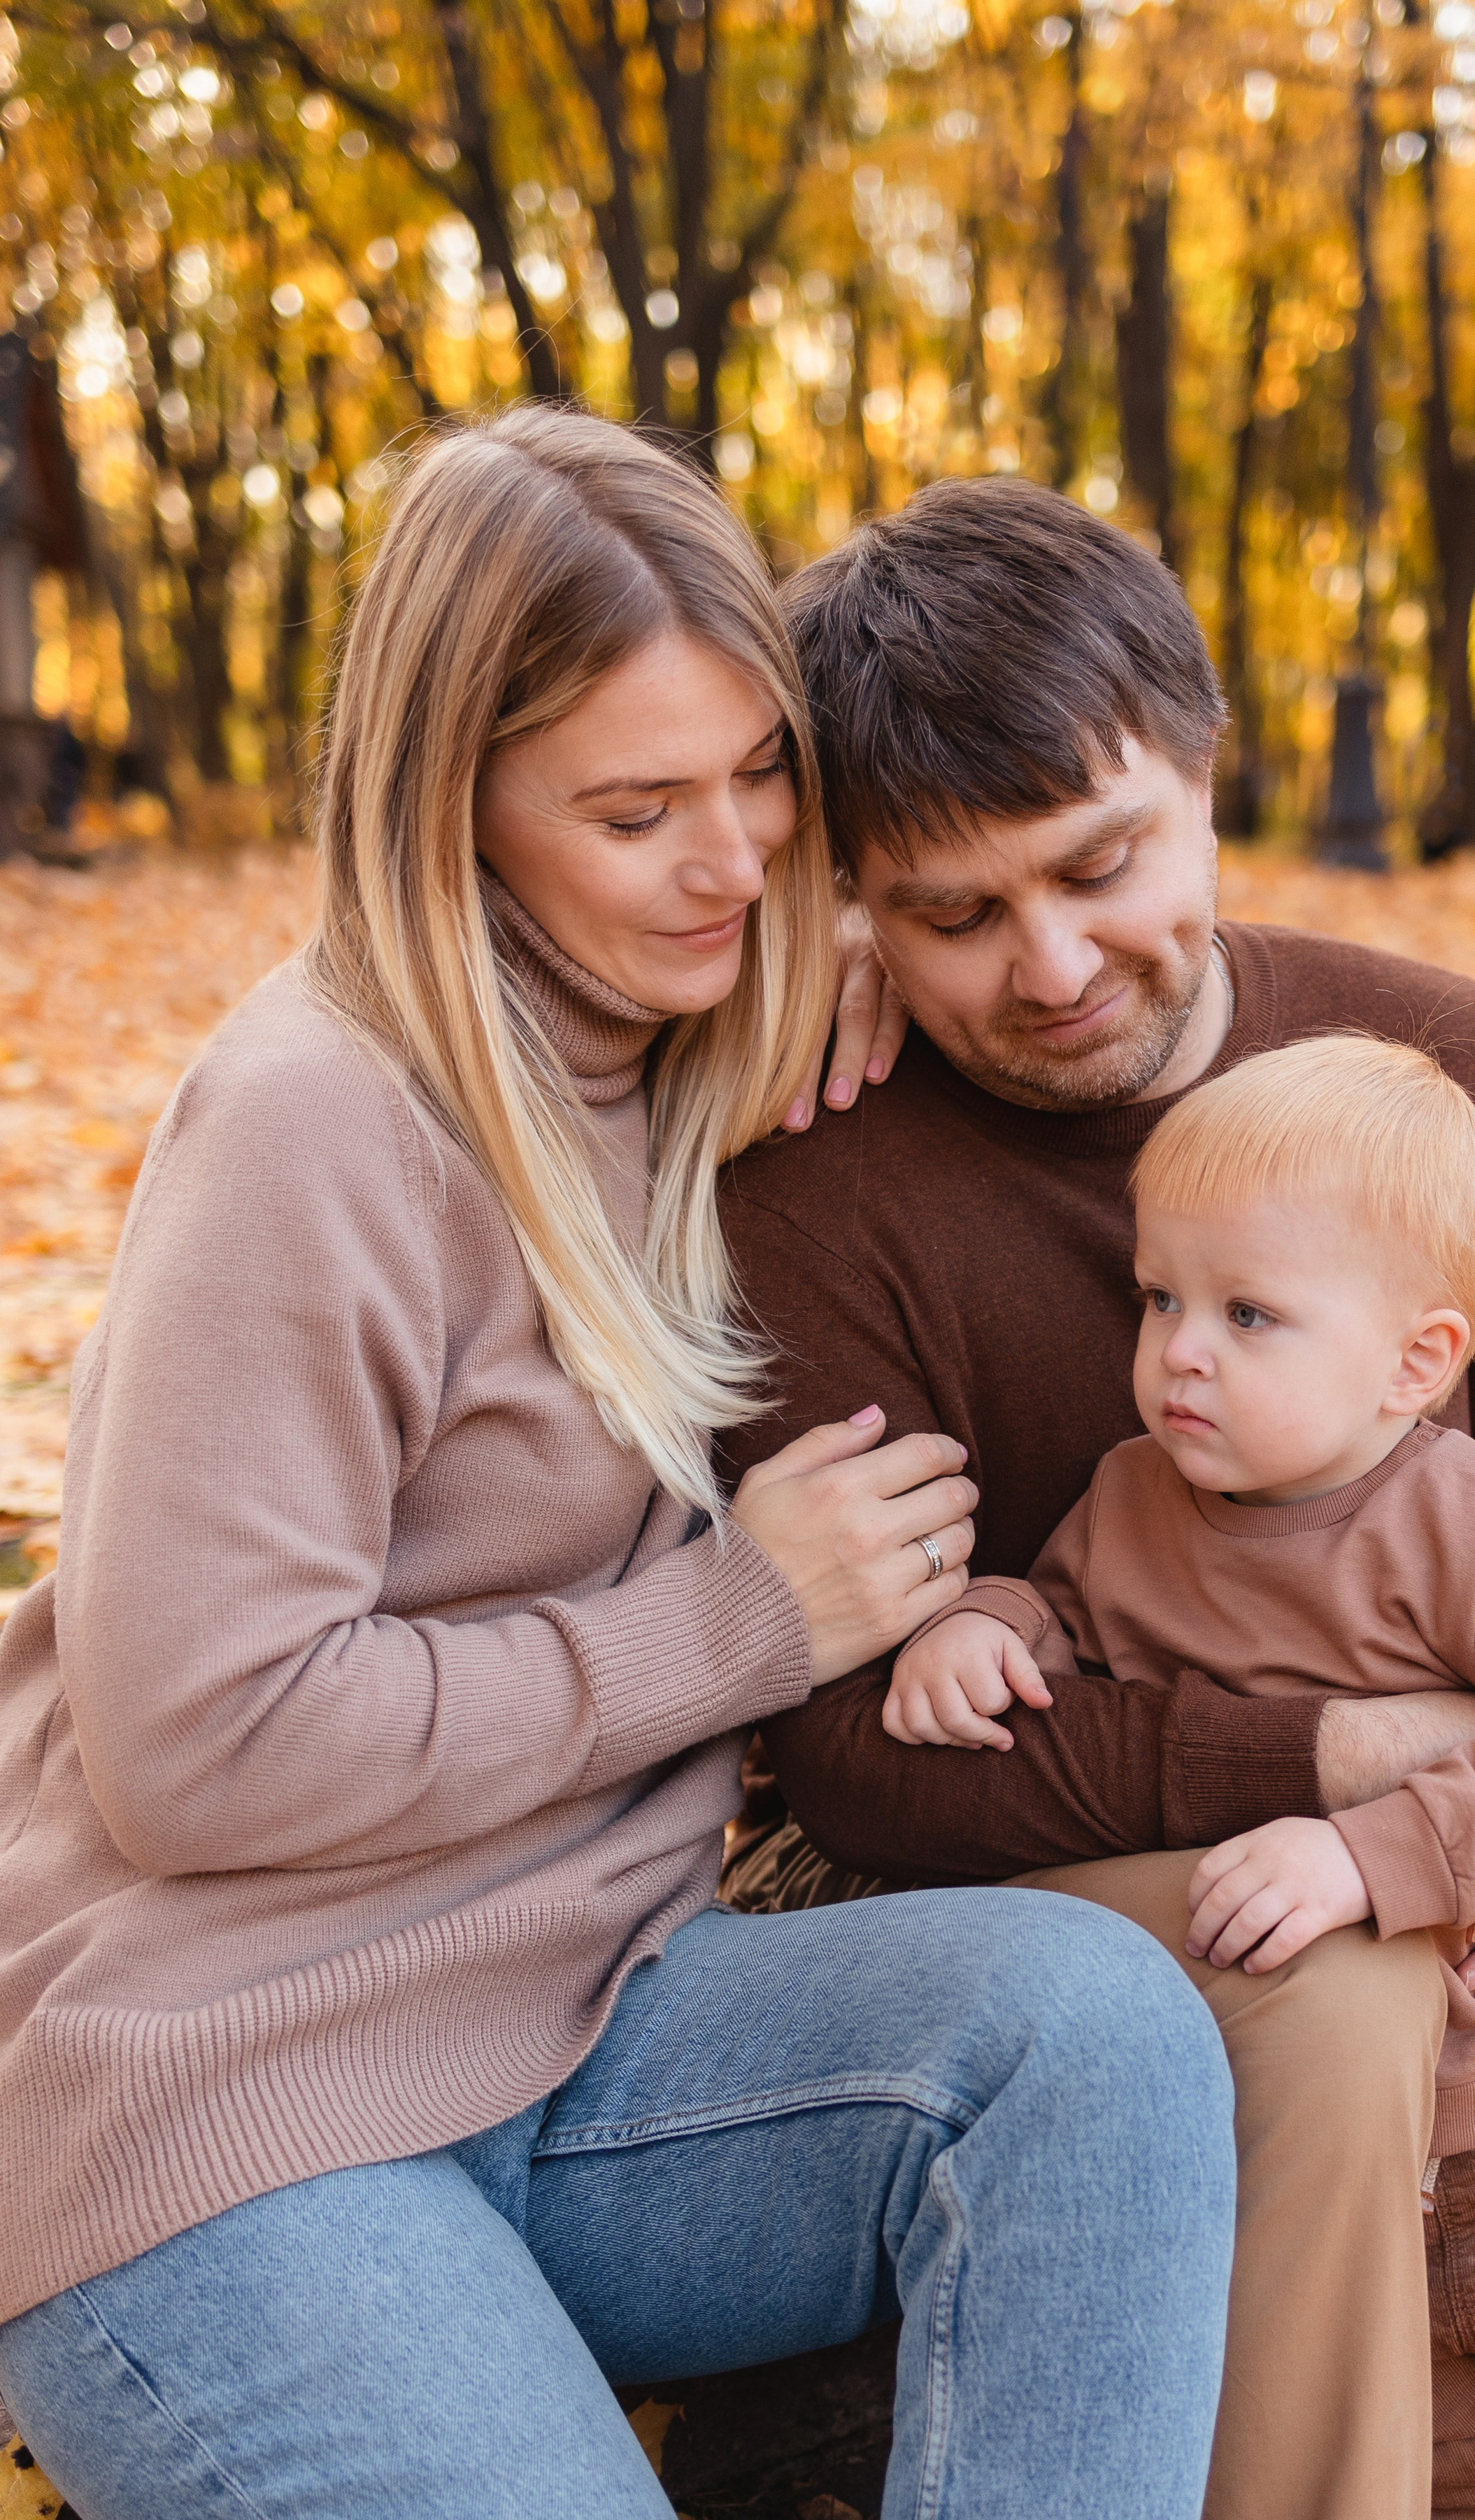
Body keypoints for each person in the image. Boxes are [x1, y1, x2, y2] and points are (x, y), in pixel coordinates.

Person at [0, 413, 1238, 2520]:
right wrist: (741, 1623)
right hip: (223, 2104)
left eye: (761, 777)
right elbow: (195, 1744)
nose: (737, 859)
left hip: (596, 2037)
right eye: (638, 809)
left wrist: (874, 957)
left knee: (1091, 2042)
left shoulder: (714, 1026)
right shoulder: (320, 1124)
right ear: (455, 806)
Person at [718, 474, 1475, 2520]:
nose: (1048, 965)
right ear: (856, 901)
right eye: (952, 913)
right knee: (1337, 1971)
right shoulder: (820, 1188)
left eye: (1101, 863)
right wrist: (1344, 1769)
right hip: (1075, 1851)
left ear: (1203, 772)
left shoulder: (1419, 1048)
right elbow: (872, 1770)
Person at [890, 1034, 1475, 2519]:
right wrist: (988, 1625)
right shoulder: (1127, 1501)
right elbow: (1072, 1625)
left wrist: (1365, 1854)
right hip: (1385, 2176)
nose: (1179, 1350)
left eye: (1247, 1315)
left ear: (1413, 1363)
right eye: (1160, 1298)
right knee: (1450, 2480)